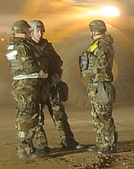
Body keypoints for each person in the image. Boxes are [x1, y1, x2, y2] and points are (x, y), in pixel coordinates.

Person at [29, 20, 80, 151]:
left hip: (50, 86)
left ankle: (69, 142)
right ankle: (42, 145)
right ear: (31, 32)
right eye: (38, 31)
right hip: (36, 88)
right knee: (37, 118)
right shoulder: (27, 47)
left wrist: (56, 77)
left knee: (60, 115)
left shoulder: (47, 46)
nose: (40, 34)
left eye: (42, 31)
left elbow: (57, 62)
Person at [5, 20, 49, 158]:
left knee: (24, 115)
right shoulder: (21, 46)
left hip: (23, 84)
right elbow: (29, 65)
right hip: (26, 85)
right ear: (24, 31)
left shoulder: (13, 45)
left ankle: (25, 146)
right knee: (27, 117)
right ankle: (25, 148)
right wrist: (42, 67)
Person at [79, 18, 118, 153]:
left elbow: (100, 66)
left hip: (100, 84)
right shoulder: (99, 45)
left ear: (94, 31)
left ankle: (107, 145)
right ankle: (102, 142)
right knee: (98, 115)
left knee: (103, 115)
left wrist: (88, 72)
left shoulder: (103, 46)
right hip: (96, 84)